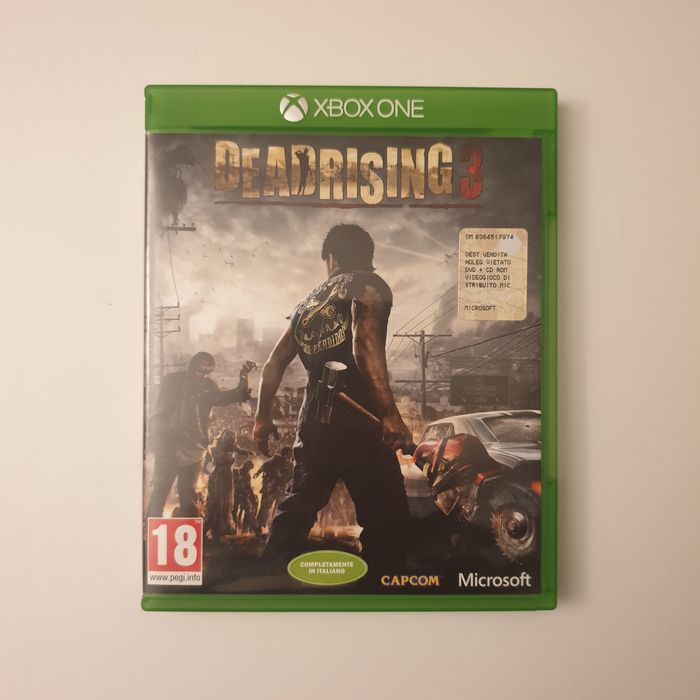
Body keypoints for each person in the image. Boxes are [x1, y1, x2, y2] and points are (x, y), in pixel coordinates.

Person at [253, 224, 413, 572]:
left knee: (297, 508)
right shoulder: (369, 284)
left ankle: (266, 580)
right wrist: (389, 414)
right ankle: (383, 588)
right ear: (368, 256)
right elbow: (364, 344)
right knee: (387, 516)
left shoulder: (305, 307)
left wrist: (262, 418)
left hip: (314, 421)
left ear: (330, 258)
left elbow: (272, 365)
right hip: (360, 421)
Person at [147, 352, 253, 518]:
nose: (203, 376)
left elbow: (232, 396)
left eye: (207, 373)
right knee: (160, 491)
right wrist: (158, 440)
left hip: (194, 449)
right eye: (200, 372)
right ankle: (151, 528)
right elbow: (158, 413)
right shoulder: (172, 382)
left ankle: (188, 527)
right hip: (169, 447)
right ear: (191, 368)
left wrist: (244, 376)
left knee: (188, 494)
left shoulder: (208, 386)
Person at [254, 447, 294, 531]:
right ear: (282, 454)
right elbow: (265, 465)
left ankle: (274, 527)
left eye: (289, 455)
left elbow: (291, 477)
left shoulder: (291, 466)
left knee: (279, 508)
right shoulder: (276, 460)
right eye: (286, 455)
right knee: (265, 507)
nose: (287, 457)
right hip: (270, 488)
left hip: (281, 489)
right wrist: (257, 473)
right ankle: (259, 526)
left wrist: (286, 483)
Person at [232, 459, 261, 535]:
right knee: (234, 511)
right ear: (245, 465)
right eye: (248, 467)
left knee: (249, 510)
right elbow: (234, 484)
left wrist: (252, 496)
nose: (248, 469)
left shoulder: (247, 475)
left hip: (244, 496)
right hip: (237, 494)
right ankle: (233, 527)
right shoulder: (236, 471)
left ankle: (253, 527)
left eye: (250, 468)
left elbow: (248, 486)